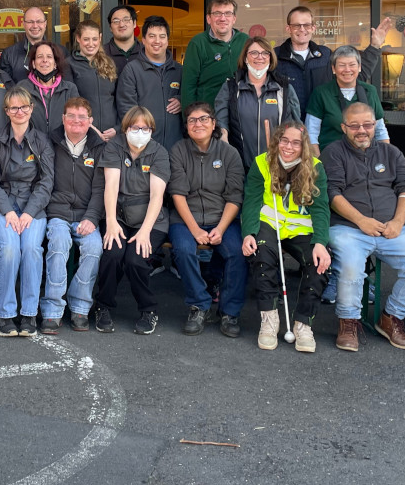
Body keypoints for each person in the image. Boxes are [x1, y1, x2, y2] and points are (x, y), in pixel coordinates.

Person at [323, 102, 405, 351]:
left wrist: (398, 221)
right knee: (350, 267)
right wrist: (360, 220)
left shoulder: (391, 152)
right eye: (354, 125)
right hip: (348, 228)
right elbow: (332, 192)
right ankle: (348, 321)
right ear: (344, 127)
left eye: (367, 125)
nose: (361, 130)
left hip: (391, 227)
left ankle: (391, 317)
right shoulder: (333, 152)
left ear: (375, 126)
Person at [241, 121, 331, 353]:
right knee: (261, 255)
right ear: (277, 141)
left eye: (296, 143)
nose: (289, 147)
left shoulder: (316, 168)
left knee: (319, 263)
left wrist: (321, 243)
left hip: (301, 229)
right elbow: (251, 202)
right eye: (284, 141)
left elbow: (321, 209)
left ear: (304, 147)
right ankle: (269, 320)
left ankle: (303, 324)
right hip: (270, 224)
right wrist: (248, 233)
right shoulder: (262, 163)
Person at [168, 102, 247, 337]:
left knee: (237, 252)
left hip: (221, 217)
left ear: (214, 124)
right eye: (192, 120)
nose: (198, 124)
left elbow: (235, 197)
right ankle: (199, 304)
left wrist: (221, 228)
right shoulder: (178, 150)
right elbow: (178, 195)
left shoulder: (229, 153)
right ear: (187, 126)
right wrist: (194, 229)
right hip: (185, 219)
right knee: (182, 249)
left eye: (203, 119)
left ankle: (229, 312)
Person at [0, 86, 55, 337]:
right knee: (10, 247)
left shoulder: (42, 141)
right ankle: (4, 314)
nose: (20, 111)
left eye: (24, 106)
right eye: (14, 107)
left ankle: (28, 313)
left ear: (31, 108)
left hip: (32, 207)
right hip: (0, 206)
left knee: (33, 249)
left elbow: (46, 182)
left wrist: (29, 212)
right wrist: (7, 212)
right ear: (7, 111)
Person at [96, 106, 173, 335]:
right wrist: (110, 221)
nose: (140, 132)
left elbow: (157, 195)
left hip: (151, 221)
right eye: (134, 127)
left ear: (152, 130)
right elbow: (110, 186)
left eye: (145, 128)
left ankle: (148, 310)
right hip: (118, 216)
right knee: (112, 255)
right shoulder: (114, 147)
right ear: (125, 128)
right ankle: (103, 306)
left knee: (136, 260)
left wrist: (145, 231)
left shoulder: (159, 153)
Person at [40, 97, 105, 334]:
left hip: (87, 215)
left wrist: (92, 218)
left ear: (90, 121)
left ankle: (80, 306)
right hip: (57, 212)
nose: (76, 121)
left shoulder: (99, 147)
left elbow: (100, 189)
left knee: (94, 247)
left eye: (82, 117)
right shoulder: (50, 142)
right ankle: (52, 310)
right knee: (58, 244)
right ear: (63, 119)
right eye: (71, 116)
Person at [274, 7, 391, 116]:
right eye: (296, 25)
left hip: (322, 125)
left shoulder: (325, 55)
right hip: (289, 128)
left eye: (307, 25)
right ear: (288, 28)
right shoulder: (275, 57)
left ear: (313, 28)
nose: (302, 29)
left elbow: (352, 77)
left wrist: (375, 46)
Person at [213, 36, 301, 169]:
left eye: (265, 53)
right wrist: (224, 140)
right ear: (245, 58)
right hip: (240, 166)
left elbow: (294, 126)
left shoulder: (284, 89)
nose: (260, 57)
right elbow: (221, 122)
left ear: (270, 58)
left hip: (276, 167)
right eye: (254, 53)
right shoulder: (231, 87)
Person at [305, 45, 389, 152]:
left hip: (367, 158)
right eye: (342, 65)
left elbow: (380, 131)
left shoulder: (370, 91)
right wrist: (318, 164)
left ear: (359, 67)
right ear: (333, 69)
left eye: (352, 65)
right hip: (331, 158)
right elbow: (311, 134)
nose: (347, 69)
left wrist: (386, 158)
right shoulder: (321, 93)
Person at [116, 15, 183, 150]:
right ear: (144, 40)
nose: (157, 41)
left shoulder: (179, 70)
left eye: (162, 36)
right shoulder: (132, 70)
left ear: (168, 40)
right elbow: (126, 108)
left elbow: (193, 101)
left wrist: (182, 100)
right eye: (152, 36)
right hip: (143, 147)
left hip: (176, 147)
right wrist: (142, 136)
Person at [181, 0, 248, 108]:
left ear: (234, 19)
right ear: (208, 19)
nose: (222, 18)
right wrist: (189, 118)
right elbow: (189, 85)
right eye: (217, 13)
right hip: (209, 115)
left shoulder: (245, 41)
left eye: (228, 13)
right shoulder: (198, 43)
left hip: (240, 112)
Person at [70, 19, 118, 141]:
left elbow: (119, 99)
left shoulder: (109, 63)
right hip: (84, 134)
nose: (91, 43)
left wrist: (117, 128)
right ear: (78, 38)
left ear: (100, 38)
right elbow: (71, 103)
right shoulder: (69, 65)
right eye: (86, 39)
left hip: (112, 136)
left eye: (95, 39)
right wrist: (91, 129)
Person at [0, 6, 69, 84]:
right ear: (24, 24)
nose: (35, 26)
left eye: (39, 21)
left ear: (45, 24)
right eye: (30, 22)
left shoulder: (61, 52)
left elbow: (65, 84)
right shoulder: (9, 54)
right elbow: (6, 87)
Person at [25, 40, 80, 135]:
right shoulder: (22, 89)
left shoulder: (69, 89)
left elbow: (77, 119)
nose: (45, 60)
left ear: (55, 63)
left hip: (61, 146)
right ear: (33, 63)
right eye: (39, 57)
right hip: (33, 146)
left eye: (49, 57)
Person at [105, 5, 143, 76]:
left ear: (134, 23)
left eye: (126, 20)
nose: (121, 25)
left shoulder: (146, 52)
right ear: (110, 27)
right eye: (116, 21)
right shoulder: (101, 54)